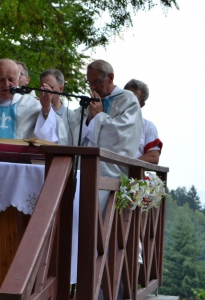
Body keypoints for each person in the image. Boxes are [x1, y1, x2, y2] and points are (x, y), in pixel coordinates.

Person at [68, 60, 142, 297]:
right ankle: (76, 286)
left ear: (110, 77)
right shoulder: (91, 100)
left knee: (106, 238)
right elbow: (76, 131)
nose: (93, 88)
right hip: (84, 173)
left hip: (112, 177)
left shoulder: (127, 101)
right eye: (89, 83)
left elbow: (122, 138)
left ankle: (106, 291)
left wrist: (98, 117)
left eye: (97, 82)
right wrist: (89, 117)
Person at [124, 79, 162, 164]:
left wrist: (128, 165)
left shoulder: (148, 126)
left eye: (135, 99)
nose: (130, 101)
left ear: (141, 105)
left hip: (130, 175)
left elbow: (153, 156)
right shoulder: (107, 117)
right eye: (127, 96)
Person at [39, 68, 74, 144]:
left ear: (60, 89)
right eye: (43, 88)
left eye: (50, 88)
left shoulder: (72, 117)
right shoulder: (35, 110)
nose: (46, 91)